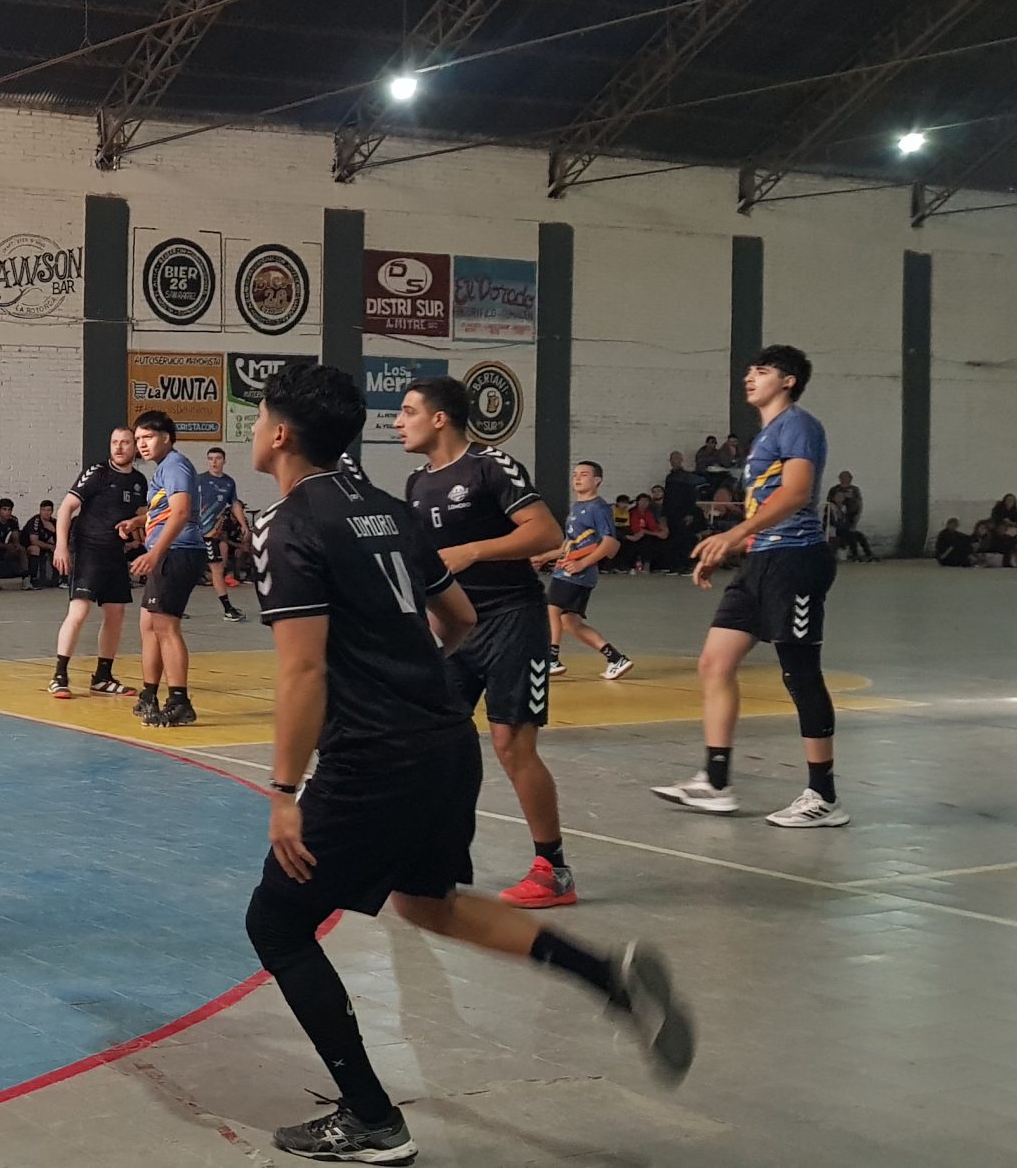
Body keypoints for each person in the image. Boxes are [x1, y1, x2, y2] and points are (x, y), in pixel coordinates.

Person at [239, 363, 692, 1163]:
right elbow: (458, 618)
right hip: (445, 740)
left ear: (279, 433)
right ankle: (605, 977)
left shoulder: (284, 524)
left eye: (257, 418)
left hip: (371, 758)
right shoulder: (390, 509)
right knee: (428, 903)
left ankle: (373, 1120)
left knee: (276, 923)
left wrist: (284, 791)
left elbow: (302, 672)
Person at [394, 377, 576, 909]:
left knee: (510, 744)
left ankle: (554, 868)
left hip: (512, 622)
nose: (398, 421)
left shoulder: (491, 466)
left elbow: (547, 534)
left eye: (407, 411)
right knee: (431, 741)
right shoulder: (414, 485)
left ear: (440, 418)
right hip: (455, 629)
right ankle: (422, 858)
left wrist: (472, 551)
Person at [657, 345, 844, 827]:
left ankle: (822, 796)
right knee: (714, 662)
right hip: (760, 560)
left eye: (762, 371)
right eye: (748, 371)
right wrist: (730, 550)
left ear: (788, 381)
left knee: (799, 672)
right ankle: (715, 783)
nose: (750, 377)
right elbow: (764, 504)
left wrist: (733, 533)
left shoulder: (798, 424)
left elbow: (797, 492)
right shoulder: (765, 437)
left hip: (796, 559)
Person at [50, 427, 145, 699]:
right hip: (88, 550)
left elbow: (139, 516)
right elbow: (66, 507)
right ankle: (59, 675)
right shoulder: (98, 472)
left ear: (135, 447)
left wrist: (137, 534)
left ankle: (102, 677)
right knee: (79, 612)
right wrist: (61, 547)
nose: (118, 447)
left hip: (115, 554)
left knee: (116, 614)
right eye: (114, 442)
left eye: (125, 443)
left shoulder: (139, 481)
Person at [129, 413, 209, 727]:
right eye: (138, 440)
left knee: (165, 627)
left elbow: (181, 512)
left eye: (146, 437)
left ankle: (179, 701)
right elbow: (163, 509)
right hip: (169, 552)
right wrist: (138, 521)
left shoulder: (175, 465)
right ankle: (149, 694)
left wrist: (154, 554)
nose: (141, 445)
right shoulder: (165, 469)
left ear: (166, 436)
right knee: (148, 624)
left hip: (178, 552)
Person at [540, 462, 633, 681]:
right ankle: (615, 658)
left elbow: (610, 544)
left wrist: (582, 564)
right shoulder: (577, 507)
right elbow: (571, 543)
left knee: (551, 610)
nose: (578, 478)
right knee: (570, 623)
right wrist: (545, 557)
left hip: (576, 572)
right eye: (575, 475)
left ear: (597, 480)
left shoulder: (598, 508)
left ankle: (551, 659)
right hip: (566, 568)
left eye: (584, 475)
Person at [196, 445, 248, 623]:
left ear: (224, 461)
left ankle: (228, 609)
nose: (214, 462)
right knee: (183, 569)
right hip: (193, 532)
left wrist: (243, 524)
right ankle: (170, 607)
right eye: (211, 459)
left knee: (217, 568)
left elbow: (234, 504)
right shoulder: (199, 480)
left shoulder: (228, 483)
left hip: (211, 534)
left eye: (218, 459)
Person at [826, 470, 874, 562]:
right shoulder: (831, 507)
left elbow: (858, 505)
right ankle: (855, 555)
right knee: (850, 535)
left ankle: (868, 554)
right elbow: (831, 521)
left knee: (859, 535)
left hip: (847, 522)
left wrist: (852, 522)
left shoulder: (846, 505)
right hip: (836, 528)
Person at [624, 493, 666, 574]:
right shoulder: (633, 512)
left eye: (646, 501)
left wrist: (661, 532)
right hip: (634, 533)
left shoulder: (648, 513)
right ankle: (643, 565)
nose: (644, 503)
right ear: (637, 502)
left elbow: (652, 526)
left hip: (646, 533)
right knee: (646, 542)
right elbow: (636, 528)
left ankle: (657, 566)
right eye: (642, 501)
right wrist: (656, 534)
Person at [24, 499, 60, 589]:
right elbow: (34, 541)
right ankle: (34, 578)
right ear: (40, 510)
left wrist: (54, 531)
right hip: (27, 547)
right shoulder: (35, 521)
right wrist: (50, 546)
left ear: (52, 511)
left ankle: (59, 579)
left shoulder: (54, 522)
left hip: (45, 546)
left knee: (61, 550)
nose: (46, 513)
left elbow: (60, 540)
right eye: (43, 510)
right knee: (35, 549)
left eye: (48, 510)